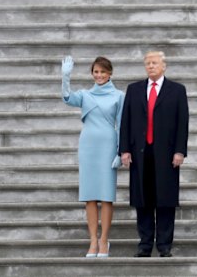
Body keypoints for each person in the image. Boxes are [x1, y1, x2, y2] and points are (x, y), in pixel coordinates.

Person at [119, 51, 189, 258]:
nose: (150, 66)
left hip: (167, 154)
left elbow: (182, 123)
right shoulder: (134, 89)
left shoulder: (176, 90)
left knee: (165, 200)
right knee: (143, 199)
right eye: (147, 63)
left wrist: (180, 150)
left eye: (154, 63)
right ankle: (145, 244)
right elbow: (126, 121)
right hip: (140, 153)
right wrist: (124, 149)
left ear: (164, 66)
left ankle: (165, 245)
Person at [61, 55, 124, 258]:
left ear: (110, 73)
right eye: (96, 72)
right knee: (89, 196)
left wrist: (120, 151)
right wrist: (65, 77)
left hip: (107, 146)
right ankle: (93, 241)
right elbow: (67, 98)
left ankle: (104, 240)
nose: (99, 75)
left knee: (106, 197)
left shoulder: (119, 96)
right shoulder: (85, 95)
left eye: (103, 72)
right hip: (88, 146)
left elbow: (122, 125)